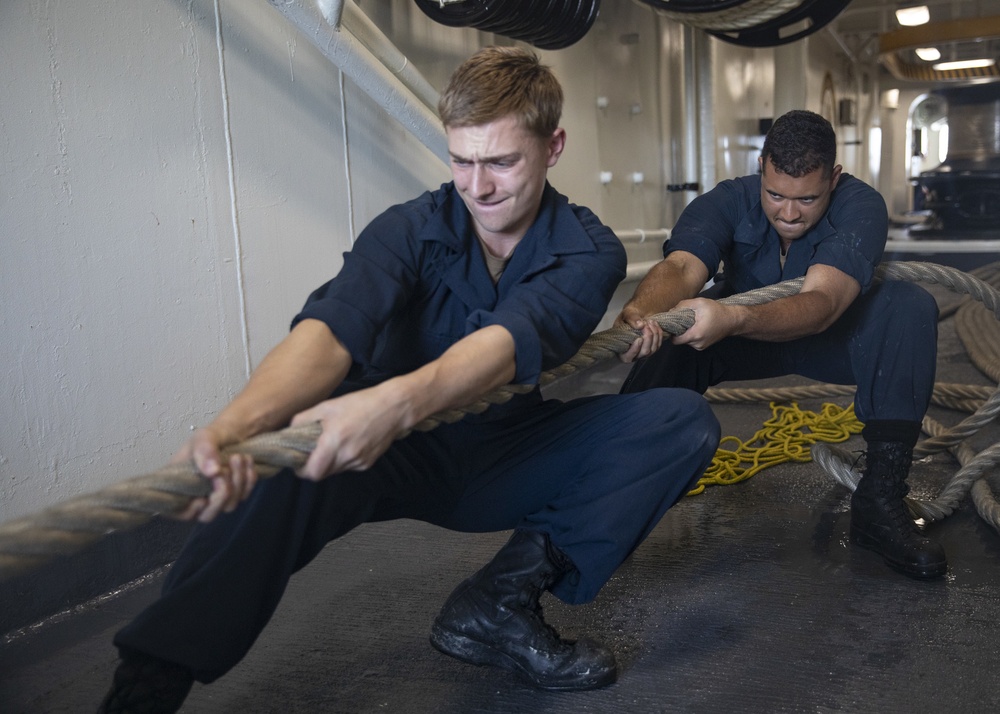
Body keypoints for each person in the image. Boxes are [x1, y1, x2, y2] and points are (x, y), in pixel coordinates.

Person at [97, 47, 720, 712]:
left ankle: (496, 604)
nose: (477, 186)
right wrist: (232, 428)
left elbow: (507, 342)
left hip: (499, 453)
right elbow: (330, 332)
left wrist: (391, 403)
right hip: (382, 457)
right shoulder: (410, 229)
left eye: (501, 161)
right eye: (461, 160)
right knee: (277, 463)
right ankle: (149, 682)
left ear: (553, 146)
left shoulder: (588, 248)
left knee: (678, 421)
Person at [617, 109, 945, 581]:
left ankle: (880, 502)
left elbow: (824, 303)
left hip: (829, 340)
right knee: (670, 339)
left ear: (833, 178)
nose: (788, 213)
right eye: (775, 195)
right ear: (761, 169)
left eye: (807, 198)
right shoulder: (729, 200)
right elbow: (682, 268)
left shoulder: (861, 205)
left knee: (909, 307)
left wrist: (733, 318)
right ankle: (612, 502)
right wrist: (643, 313)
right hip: (739, 339)